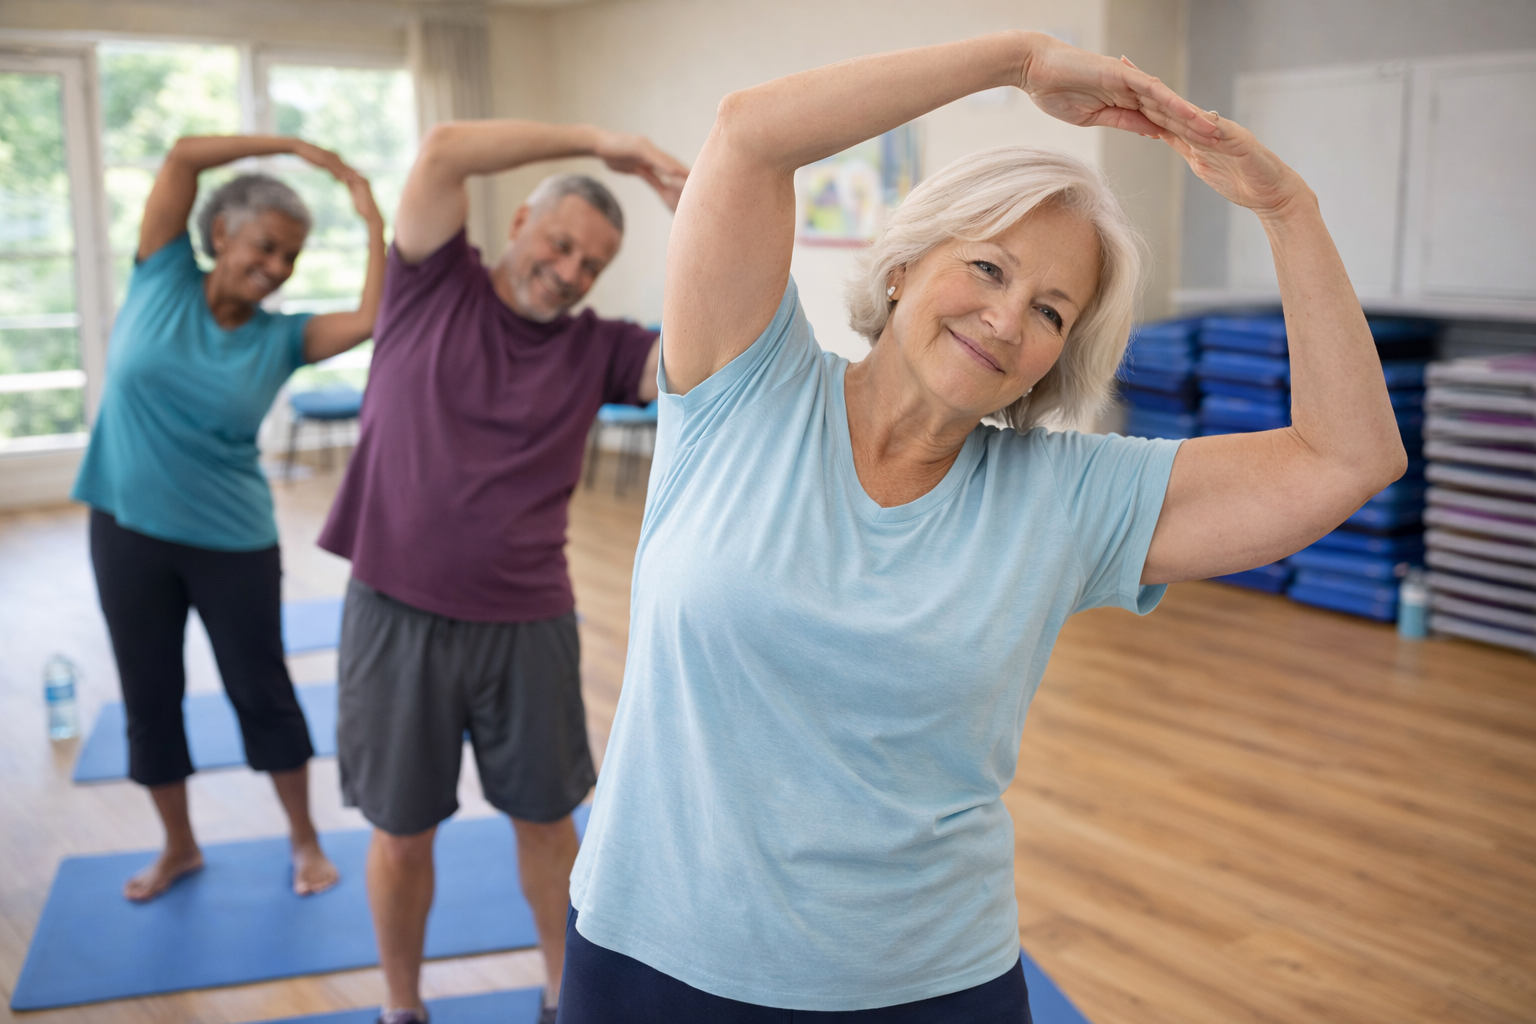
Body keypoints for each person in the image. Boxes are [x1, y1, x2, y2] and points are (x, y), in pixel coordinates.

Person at [559, 30, 1408, 1022]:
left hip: (920, 986)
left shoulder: (1067, 498)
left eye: (1053, 311)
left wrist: (1286, 208)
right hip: (652, 955)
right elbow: (749, 135)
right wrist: (1017, 63)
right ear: (906, 265)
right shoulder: (745, 386)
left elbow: (1347, 459)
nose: (1009, 322)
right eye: (990, 268)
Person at [315, 120, 688, 1024]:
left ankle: (569, 1000)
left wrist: (701, 212)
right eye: (561, 245)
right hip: (394, 616)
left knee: (547, 827)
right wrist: (608, 145)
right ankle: (401, 1008)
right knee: (402, 838)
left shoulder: (598, 346)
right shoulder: (428, 282)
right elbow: (441, 149)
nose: (568, 273)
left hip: (528, 625)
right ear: (523, 219)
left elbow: (712, 356)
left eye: (590, 265)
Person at [73, 135, 386, 902]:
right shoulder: (163, 275)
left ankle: (304, 840)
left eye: (291, 259)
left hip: (231, 542)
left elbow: (376, 315)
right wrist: (295, 148)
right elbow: (181, 159)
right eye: (268, 247)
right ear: (222, 235)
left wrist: (371, 217)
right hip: (126, 527)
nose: (277, 269)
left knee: (261, 689)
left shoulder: (284, 338)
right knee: (150, 693)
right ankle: (178, 846)